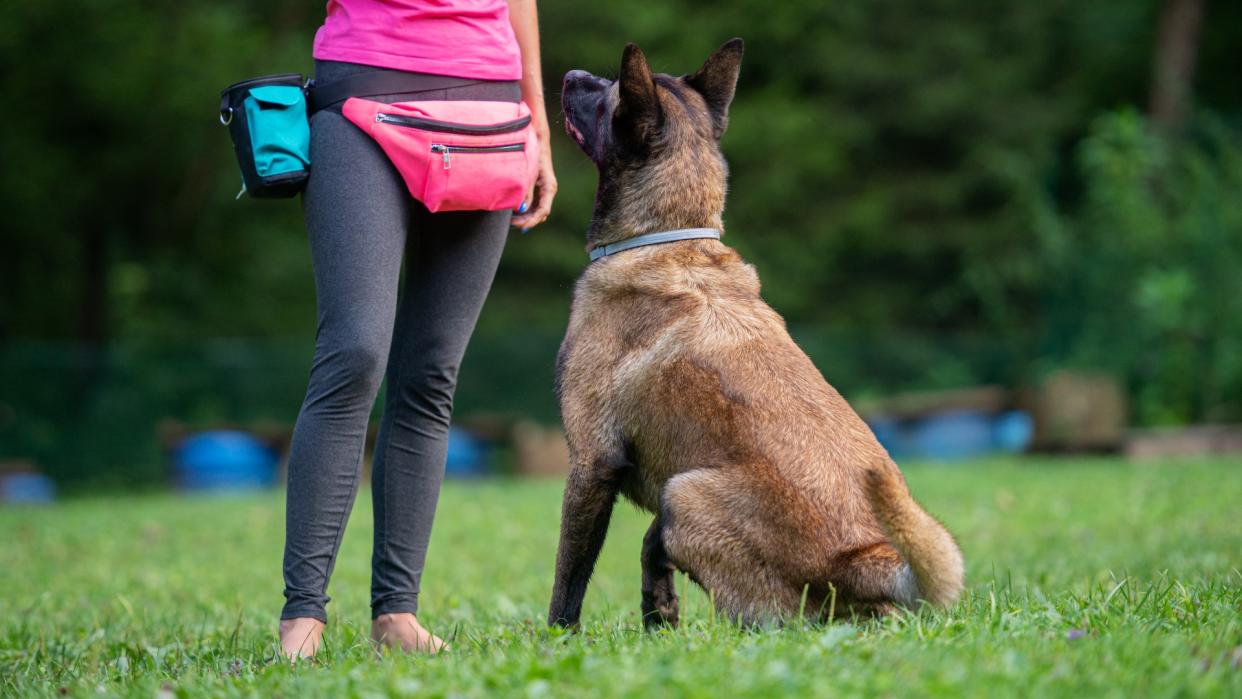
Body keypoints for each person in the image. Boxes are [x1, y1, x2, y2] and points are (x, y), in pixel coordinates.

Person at [278, 0, 556, 659]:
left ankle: (397, 614)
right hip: (365, 87)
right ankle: (302, 616)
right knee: (354, 353)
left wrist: (537, 120)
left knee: (431, 372)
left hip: (488, 103)